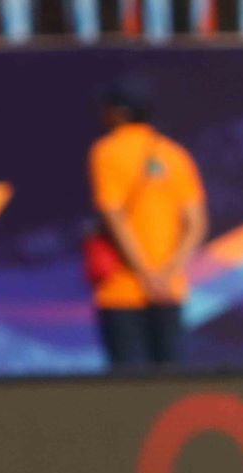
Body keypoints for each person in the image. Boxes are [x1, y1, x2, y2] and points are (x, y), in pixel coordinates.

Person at [88, 77, 205, 370]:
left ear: (119, 112)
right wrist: (167, 274)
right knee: (171, 384)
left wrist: (146, 275)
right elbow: (196, 224)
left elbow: (114, 218)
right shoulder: (174, 154)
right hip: (168, 289)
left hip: (122, 289)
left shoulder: (107, 151)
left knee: (129, 386)